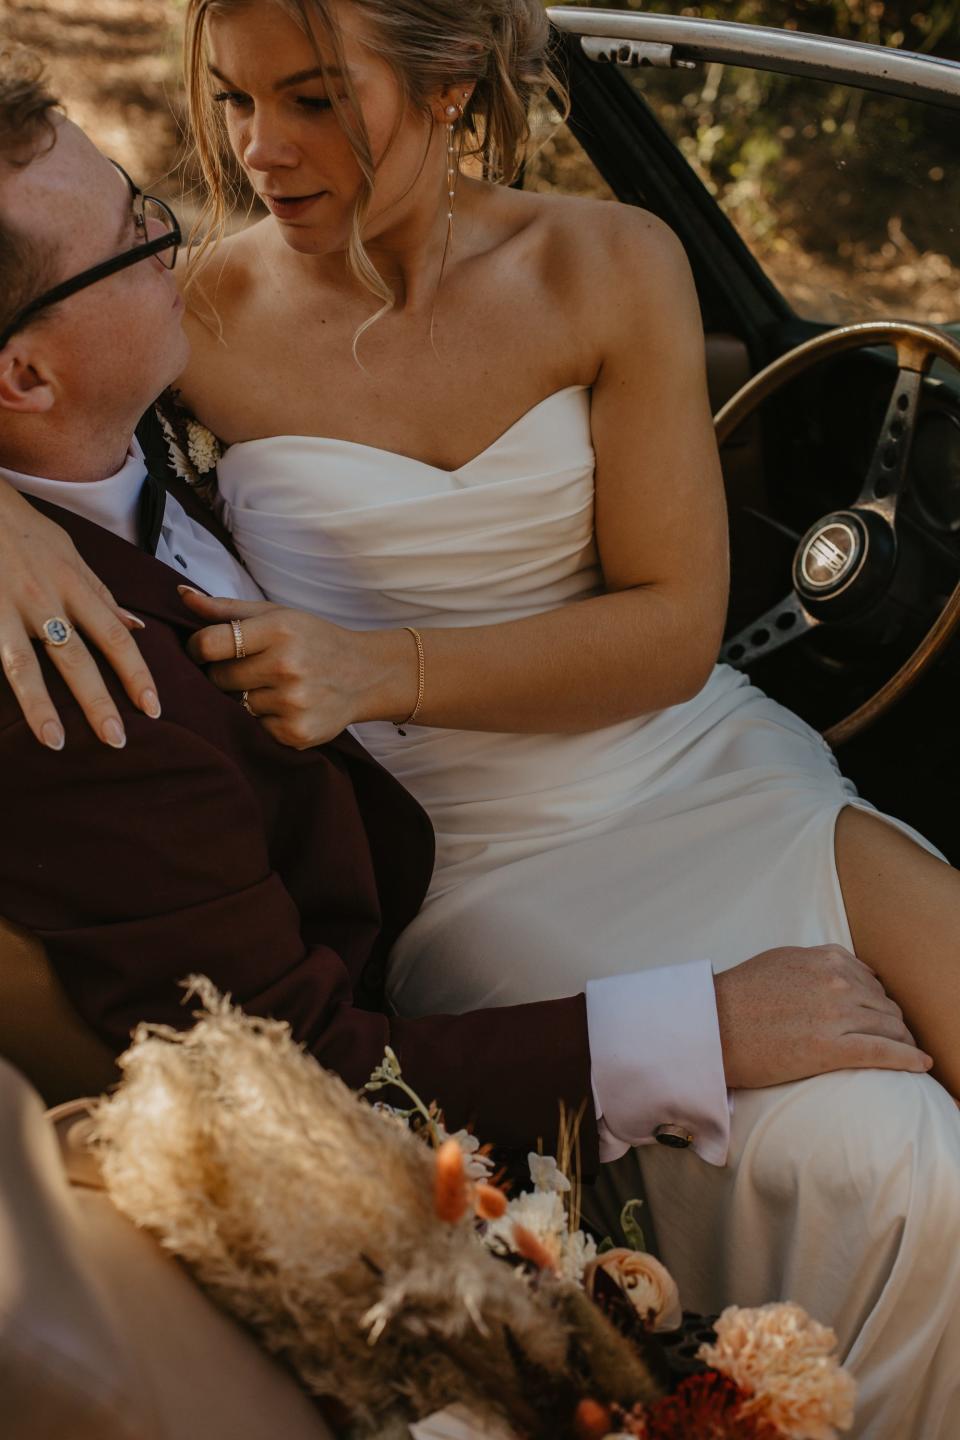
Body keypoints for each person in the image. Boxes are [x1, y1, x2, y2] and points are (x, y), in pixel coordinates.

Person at [0, 6, 957, 1430]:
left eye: (316, 100)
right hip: (460, 855)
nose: (258, 153)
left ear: (450, 87)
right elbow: (38, 375)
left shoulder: (608, 261)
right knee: (911, 1171)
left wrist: (374, 667)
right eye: (237, 102)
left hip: (697, 756)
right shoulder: (186, 318)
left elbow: (674, 631)